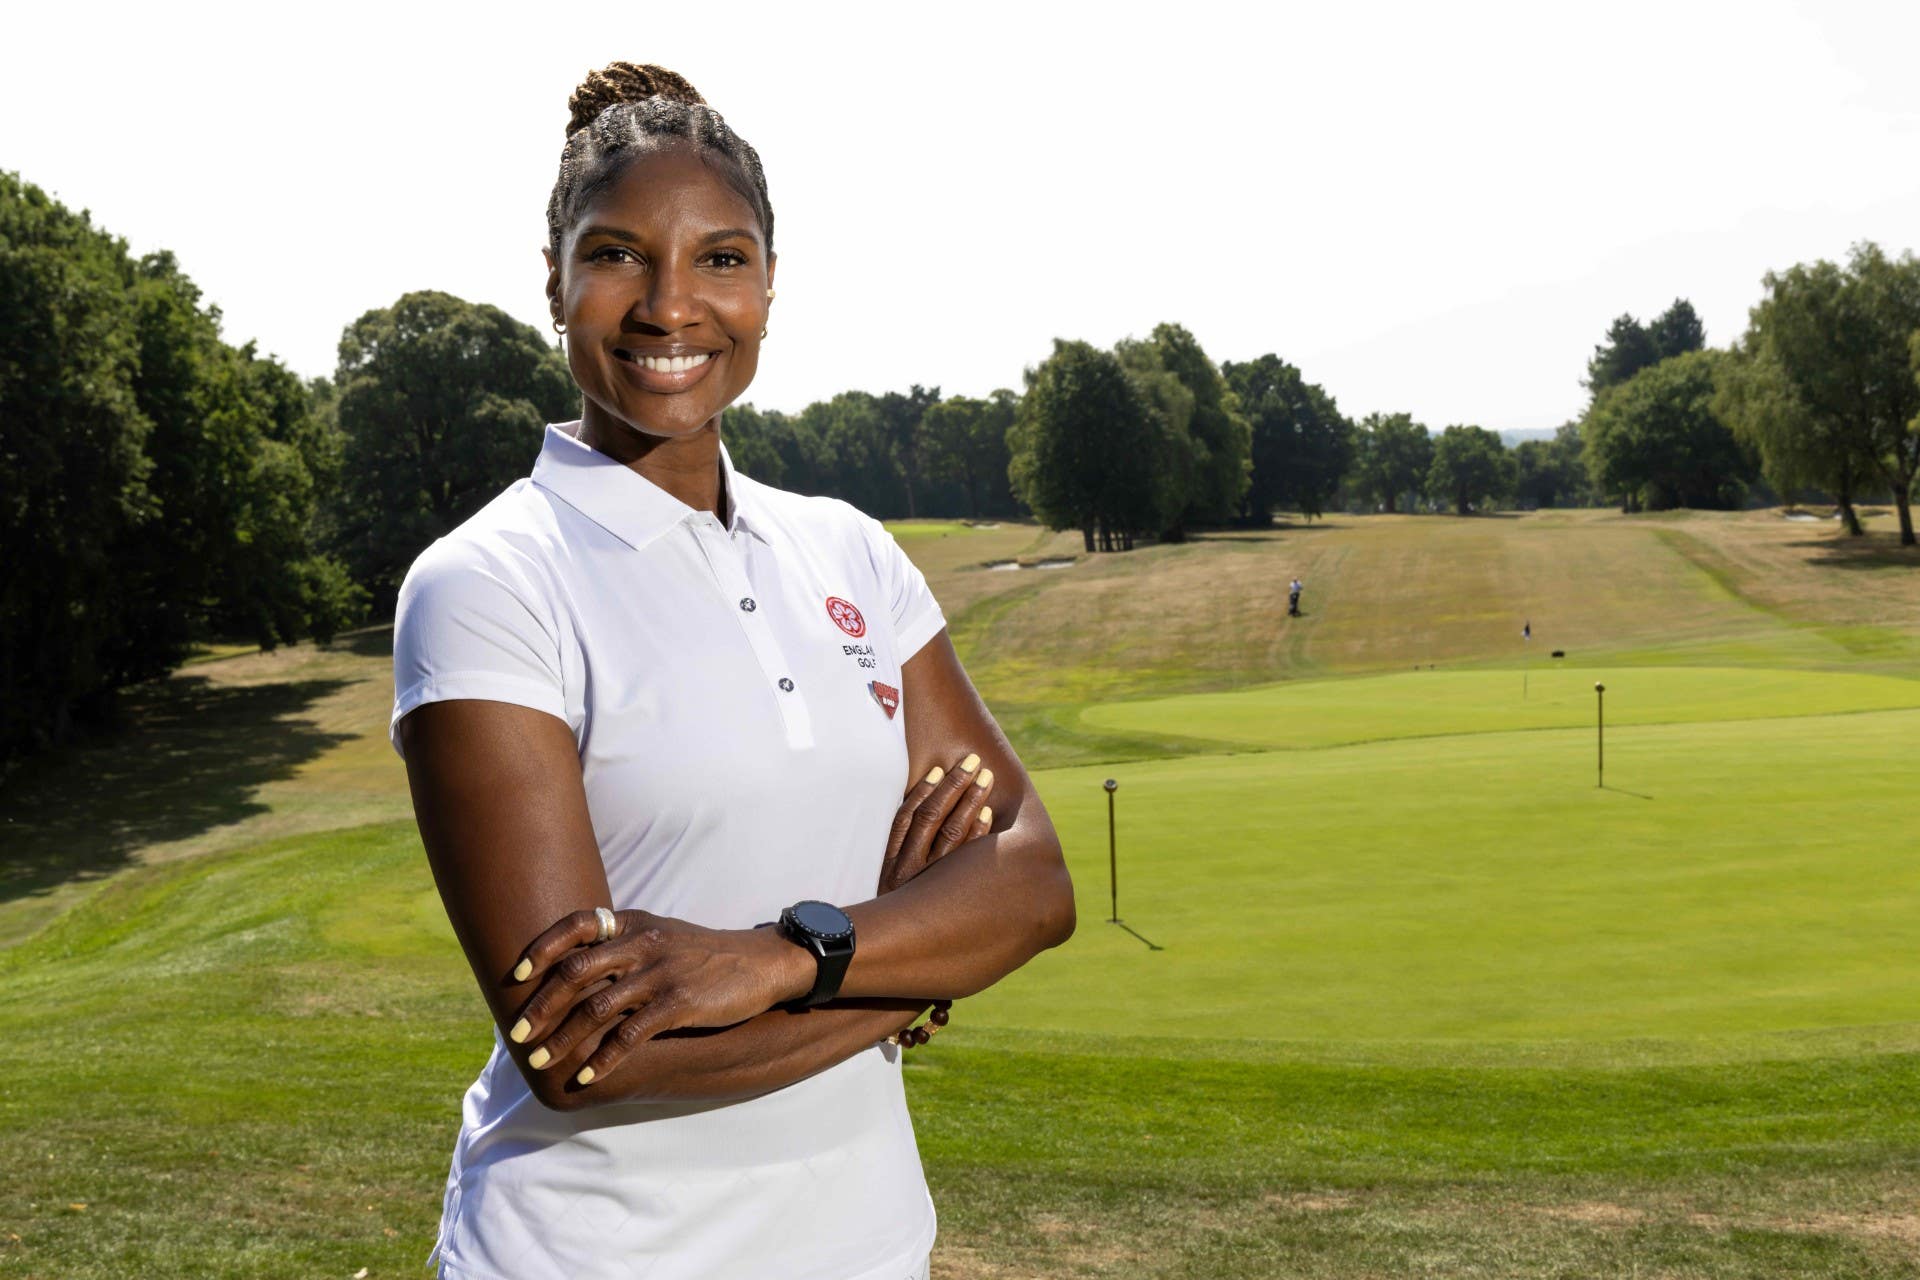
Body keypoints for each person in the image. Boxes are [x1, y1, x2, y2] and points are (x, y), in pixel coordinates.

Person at [388, 62, 1075, 1280]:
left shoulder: (851, 548)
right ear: (552, 278)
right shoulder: (487, 583)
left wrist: (782, 957)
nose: (669, 307)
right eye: (615, 256)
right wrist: (900, 972)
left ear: (767, 285)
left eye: (720, 258)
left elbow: (1032, 881)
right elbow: (587, 1054)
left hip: (866, 1247)